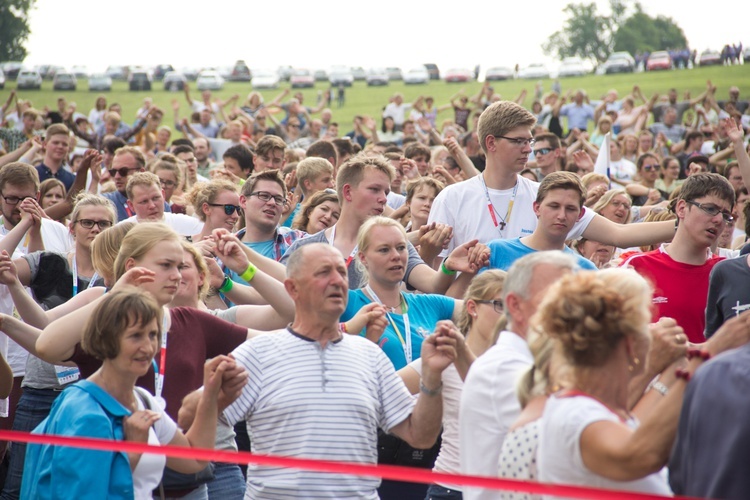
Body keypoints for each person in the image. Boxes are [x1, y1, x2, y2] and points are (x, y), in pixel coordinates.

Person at [178, 242, 458, 499]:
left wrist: (431, 379)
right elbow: (187, 417)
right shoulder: (258, 354)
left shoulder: (370, 356)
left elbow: (419, 435)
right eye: (323, 273)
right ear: (292, 289)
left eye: (341, 272)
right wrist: (213, 396)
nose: (337, 280)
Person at [536, 269, 750, 496]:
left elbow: (638, 428)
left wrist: (673, 368)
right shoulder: (574, 413)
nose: (652, 332)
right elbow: (640, 455)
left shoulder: (585, 405)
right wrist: (710, 352)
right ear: (629, 343)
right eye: (646, 324)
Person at [21, 288, 242, 499]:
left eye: (153, 335)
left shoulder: (141, 399)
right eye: (135, 336)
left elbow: (193, 459)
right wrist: (132, 455)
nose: (147, 347)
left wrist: (211, 399)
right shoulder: (86, 412)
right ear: (105, 339)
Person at [428, 101, 676, 266]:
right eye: (519, 141)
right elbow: (436, 271)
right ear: (491, 143)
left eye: (530, 141)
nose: (528, 149)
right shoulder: (452, 198)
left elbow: (619, 234)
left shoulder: (547, 198)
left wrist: (687, 222)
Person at [459, 251, 578, 500]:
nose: (571, 312)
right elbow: (582, 448)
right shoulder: (504, 367)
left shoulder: (530, 361)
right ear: (515, 306)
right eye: (556, 298)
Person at [399, 270, 507, 499]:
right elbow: (384, 391)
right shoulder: (445, 354)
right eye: (499, 305)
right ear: (472, 307)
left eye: (514, 306)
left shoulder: (520, 362)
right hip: (451, 487)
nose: (508, 315)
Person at [622, 173, 735, 343]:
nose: (719, 220)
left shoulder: (729, 273)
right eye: (710, 209)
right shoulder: (635, 267)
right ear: (681, 208)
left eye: (726, 215)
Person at [340, 217, 462, 370]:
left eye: (401, 248)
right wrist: (347, 328)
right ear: (363, 258)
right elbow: (308, 332)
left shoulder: (428, 304)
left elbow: (480, 310)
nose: (396, 256)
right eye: (384, 250)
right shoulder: (348, 301)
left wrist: (470, 267)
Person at [483, 172, 597, 272]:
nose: (562, 216)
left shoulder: (587, 270)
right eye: (554, 206)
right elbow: (468, 295)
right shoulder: (496, 252)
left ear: (580, 214)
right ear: (537, 208)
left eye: (570, 209)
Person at [120, 172, 204, 237]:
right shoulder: (120, 233)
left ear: (163, 195)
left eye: (155, 198)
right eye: (144, 201)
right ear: (131, 205)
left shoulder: (189, 225)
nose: (152, 205)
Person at [34, 124, 76, 192]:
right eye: (56, 143)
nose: (60, 147)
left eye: (64, 144)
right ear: (44, 144)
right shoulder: (33, 175)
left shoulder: (72, 180)